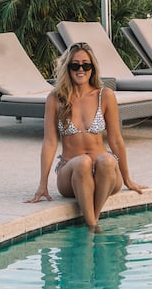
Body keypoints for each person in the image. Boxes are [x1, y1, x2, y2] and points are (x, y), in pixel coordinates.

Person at [26, 41, 144, 230]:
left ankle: (92, 223)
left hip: (105, 174)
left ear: (92, 68)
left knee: (105, 160)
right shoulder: (56, 99)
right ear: (68, 68)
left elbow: (115, 140)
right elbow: (49, 142)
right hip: (71, 172)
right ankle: (93, 225)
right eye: (75, 65)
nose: (81, 69)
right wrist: (43, 184)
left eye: (86, 65)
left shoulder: (105, 96)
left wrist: (127, 178)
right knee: (83, 162)